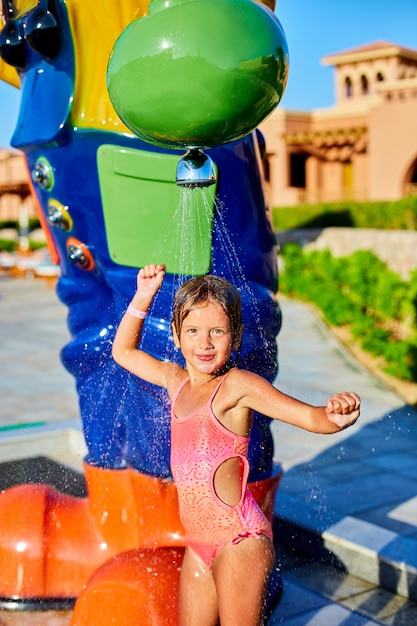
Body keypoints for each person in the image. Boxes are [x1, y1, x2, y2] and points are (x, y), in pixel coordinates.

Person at [112, 263, 361, 626]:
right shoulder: (174, 380)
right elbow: (123, 351)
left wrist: (334, 415)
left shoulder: (236, 386)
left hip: (239, 539)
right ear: (177, 336)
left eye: (218, 331)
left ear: (237, 336)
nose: (205, 342)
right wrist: (143, 296)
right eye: (193, 330)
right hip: (198, 546)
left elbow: (310, 417)